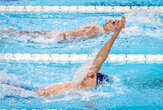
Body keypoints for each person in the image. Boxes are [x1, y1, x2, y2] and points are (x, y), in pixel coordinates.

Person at [36, 16, 126, 97]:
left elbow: (100, 59)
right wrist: (115, 34)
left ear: (95, 86)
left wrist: (115, 34)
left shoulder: (82, 92)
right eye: (93, 74)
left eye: (93, 77)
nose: (90, 74)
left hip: (32, 97)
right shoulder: (78, 84)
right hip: (33, 92)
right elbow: (100, 59)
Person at [8, 17, 124, 41]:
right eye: (112, 19)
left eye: (113, 22)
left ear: (115, 29)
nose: (109, 21)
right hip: (55, 36)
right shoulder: (96, 29)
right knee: (20, 35)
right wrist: (55, 39)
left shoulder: (98, 30)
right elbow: (72, 34)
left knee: (21, 34)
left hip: (56, 35)